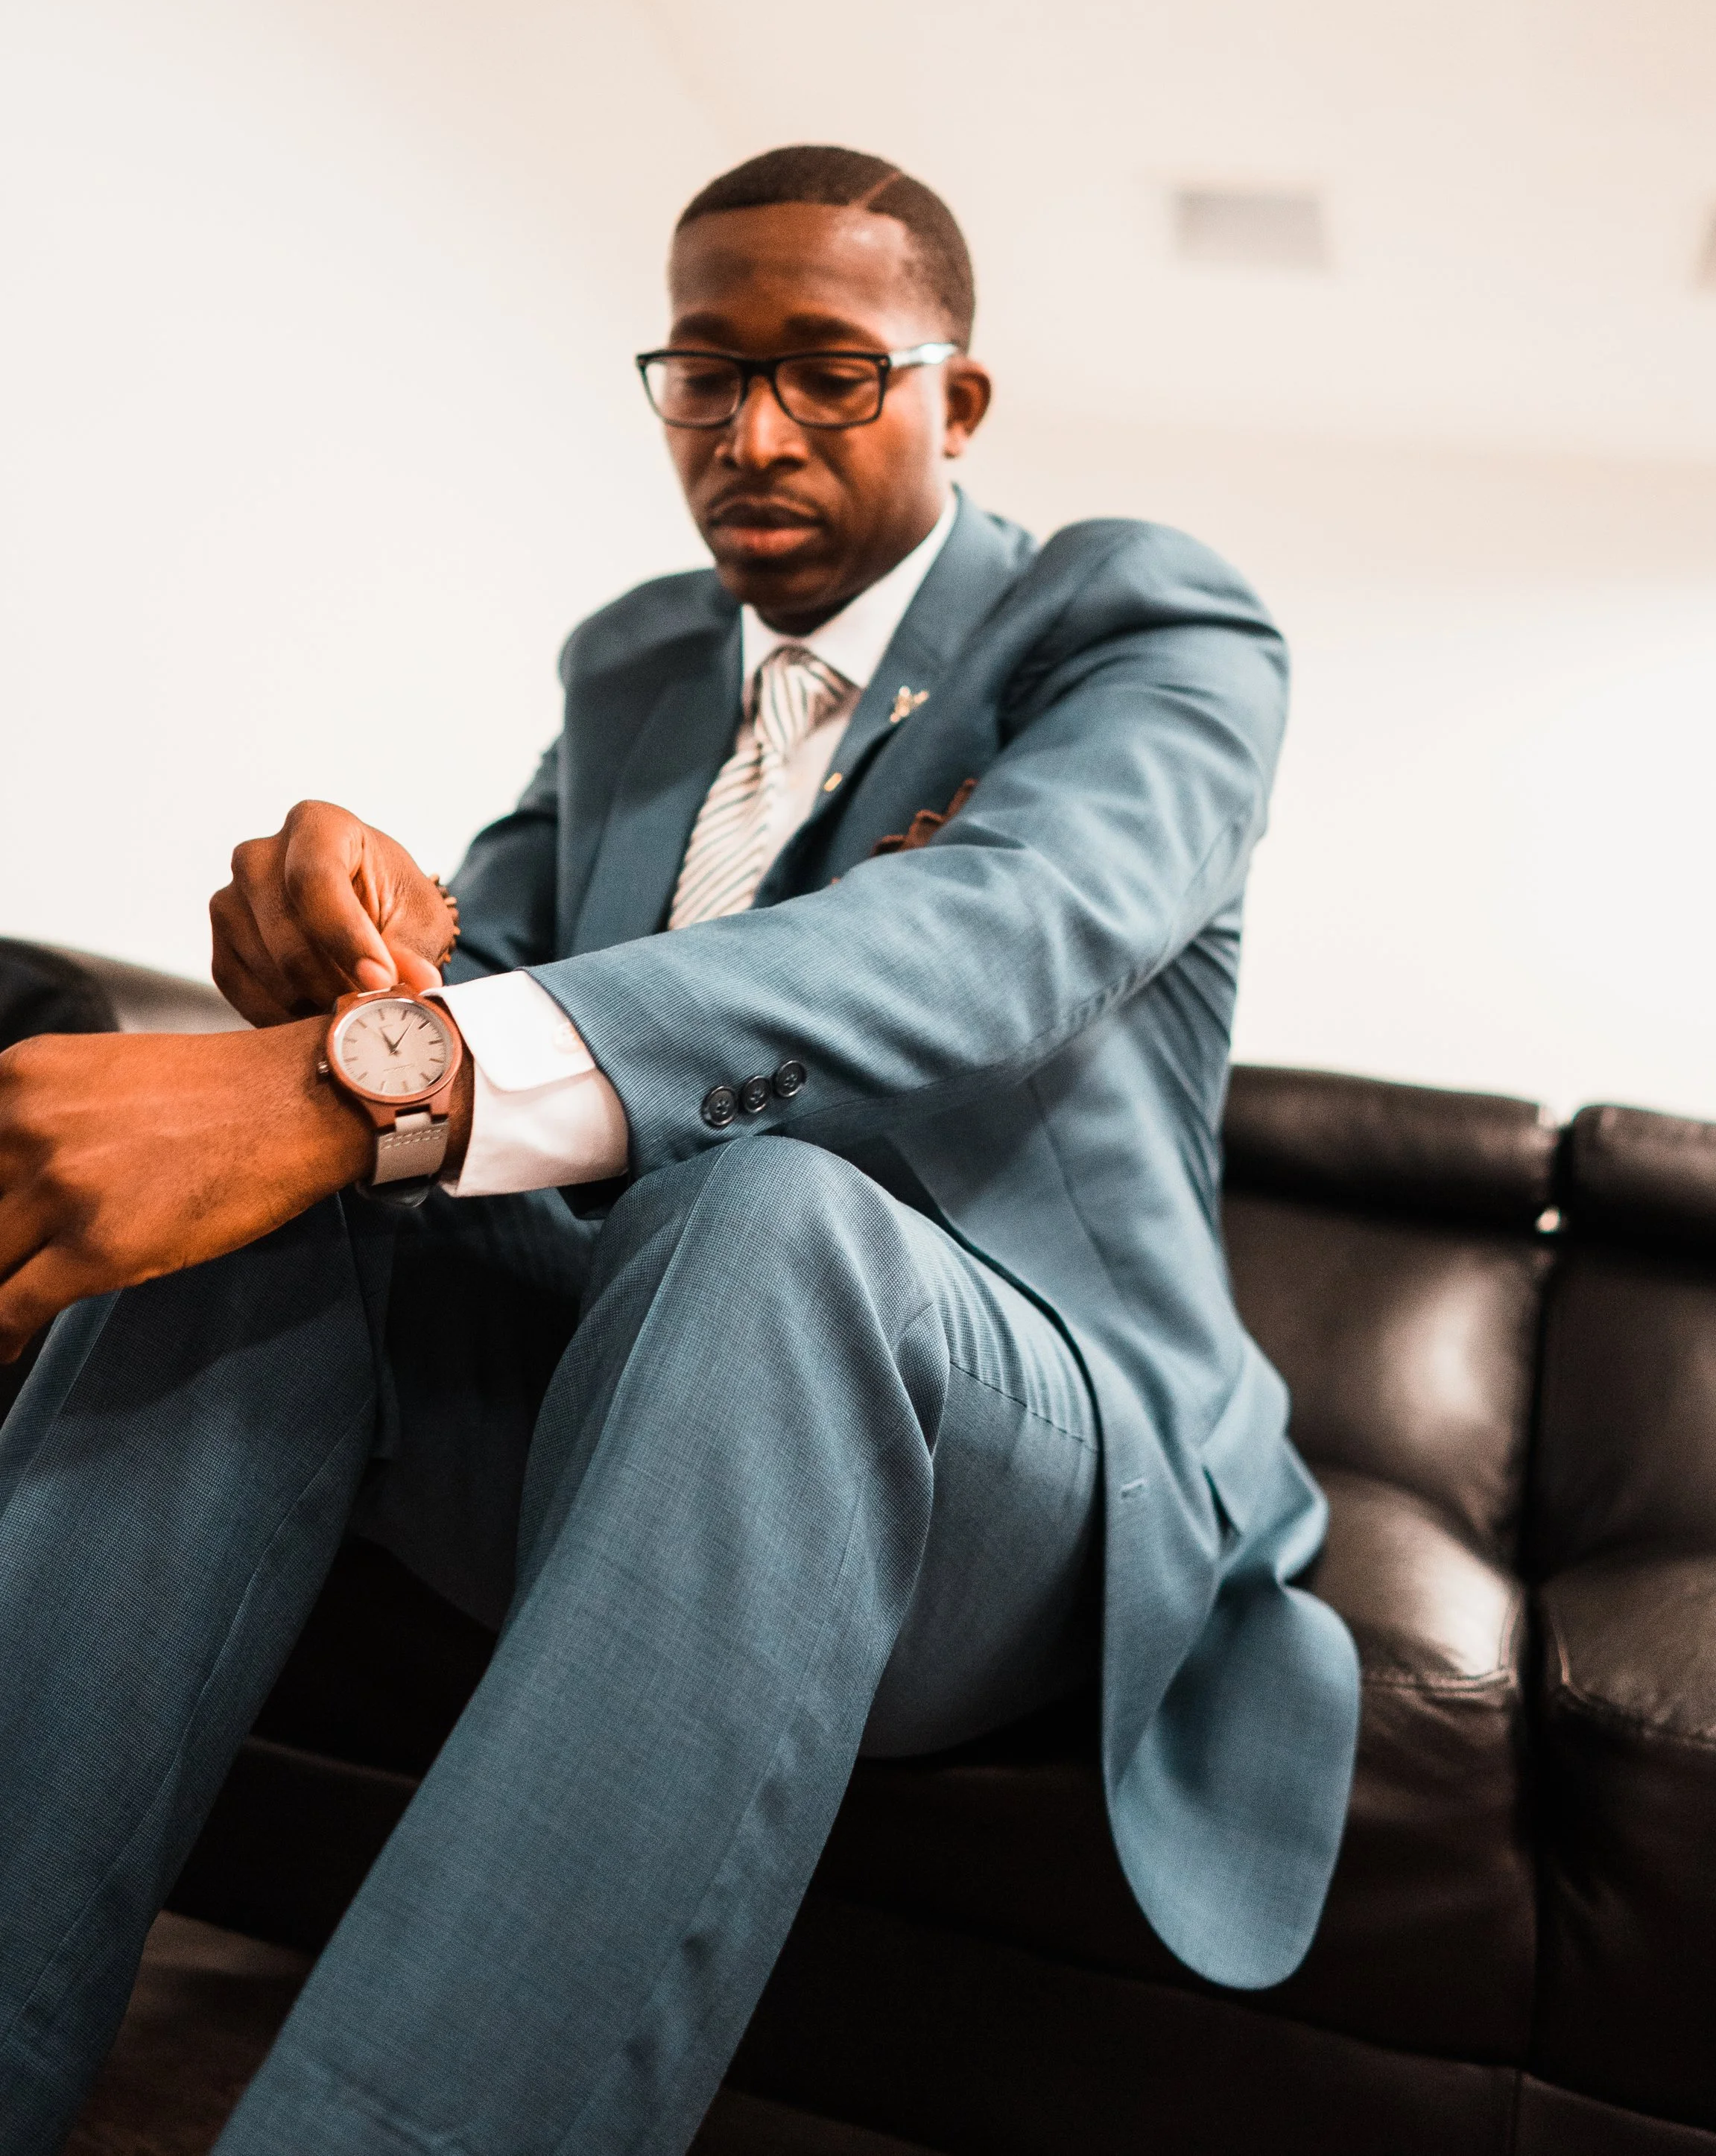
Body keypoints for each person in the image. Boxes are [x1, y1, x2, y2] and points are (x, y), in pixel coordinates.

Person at [0, 147, 1358, 2156]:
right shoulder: (635, 660)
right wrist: (331, 957)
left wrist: (368, 1072)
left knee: (770, 1220)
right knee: (302, 1205)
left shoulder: (1134, 616)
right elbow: (492, 978)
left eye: (826, 371)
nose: (751, 431)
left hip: (995, 1478)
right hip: (618, 1383)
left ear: (953, 398)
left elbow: (1002, 934)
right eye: (700, 375)